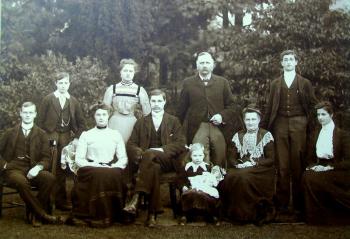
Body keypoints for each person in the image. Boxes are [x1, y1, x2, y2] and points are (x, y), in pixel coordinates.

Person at [261, 50, 317, 214]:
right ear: (282, 63)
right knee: (283, 165)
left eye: (291, 59)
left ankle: (300, 205)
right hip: (280, 124)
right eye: (285, 60)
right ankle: (283, 204)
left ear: (296, 62)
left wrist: (310, 123)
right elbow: (270, 106)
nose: (288, 62)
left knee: (297, 164)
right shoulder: (275, 83)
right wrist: (264, 128)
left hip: (299, 123)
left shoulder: (304, 82)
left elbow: (313, 105)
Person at [123, 89, 186, 227]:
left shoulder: (174, 121)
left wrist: (161, 150)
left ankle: (136, 197)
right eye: (153, 101)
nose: (156, 104)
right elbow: (131, 144)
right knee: (154, 169)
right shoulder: (141, 122)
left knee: (149, 154)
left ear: (164, 102)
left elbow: (181, 144)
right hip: (149, 163)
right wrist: (140, 153)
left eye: (159, 101)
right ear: (150, 102)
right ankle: (152, 215)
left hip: (168, 161)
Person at [0, 102, 65, 226]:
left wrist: (38, 167)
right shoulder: (10, 132)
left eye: (30, 112)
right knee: (21, 182)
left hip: (31, 168)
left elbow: (46, 157)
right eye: (25, 112)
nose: (28, 115)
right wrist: (4, 166)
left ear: (35, 114)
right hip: (13, 170)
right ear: (20, 114)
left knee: (49, 178)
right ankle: (42, 215)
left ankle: (33, 213)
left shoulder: (42, 134)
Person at [71, 103, 128, 227]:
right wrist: (96, 165)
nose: (101, 117)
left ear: (108, 116)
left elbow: (123, 158)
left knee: (111, 173)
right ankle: (100, 216)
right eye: (98, 115)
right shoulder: (86, 135)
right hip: (90, 168)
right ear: (94, 117)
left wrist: (114, 166)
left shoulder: (115, 134)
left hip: (109, 168)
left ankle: (113, 214)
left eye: (104, 114)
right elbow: (79, 159)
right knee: (100, 173)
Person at [38, 72, 86, 211]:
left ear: (69, 84)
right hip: (50, 135)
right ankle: (47, 199)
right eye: (60, 83)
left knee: (62, 167)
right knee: (50, 165)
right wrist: (43, 138)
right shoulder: (48, 99)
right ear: (56, 84)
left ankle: (61, 199)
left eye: (65, 83)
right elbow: (39, 121)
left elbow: (81, 123)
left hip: (65, 136)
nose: (63, 86)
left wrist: (77, 138)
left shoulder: (73, 101)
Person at [177, 51, 235, 167]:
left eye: (207, 63)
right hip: (198, 127)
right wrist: (175, 129)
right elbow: (181, 110)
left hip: (219, 127)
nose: (204, 65)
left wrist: (221, 116)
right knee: (199, 159)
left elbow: (232, 106)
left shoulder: (222, 82)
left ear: (213, 65)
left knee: (220, 158)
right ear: (197, 65)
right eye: (201, 63)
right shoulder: (188, 83)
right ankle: (200, 184)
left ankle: (219, 184)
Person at [220, 107, 275, 224]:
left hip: (261, 169)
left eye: (253, 119)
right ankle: (235, 213)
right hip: (242, 167)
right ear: (244, 121)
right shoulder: (238, 135)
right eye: (248, 119)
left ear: (259, 120)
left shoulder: (266, 135)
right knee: (230, 176)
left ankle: (247, 215)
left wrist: (255, 162)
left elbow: (271, 159)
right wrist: (237, 164)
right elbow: (231, 157)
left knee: (243, 177)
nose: (250, 122)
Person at [303, 101, 350, 225]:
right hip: (320, 167)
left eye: (323, 114)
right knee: (308, 176)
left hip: (337, 170)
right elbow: (309, 158)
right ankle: (315, 217)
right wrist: (314, 166)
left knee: (315, 179)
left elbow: (348, 161)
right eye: (318, 115)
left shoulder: (342, 135)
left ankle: (334, 216)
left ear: (331, 115)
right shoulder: (315, 134)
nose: (320, 118)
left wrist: (330, 167)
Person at [103, 58, 151, 143]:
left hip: (131, 124)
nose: (128, 73)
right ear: (120, 72)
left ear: (134, 73)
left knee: (130, 149)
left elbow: (147, 114)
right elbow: (104, 111)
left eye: (130, 71)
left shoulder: (140, 90)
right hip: (114, 123)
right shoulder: (112, 89)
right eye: (125, 71)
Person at [178, 143, 225, 225]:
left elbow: (213, 180)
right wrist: (183, 186)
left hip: (205, 189)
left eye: (200, 155)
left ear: (203, 156)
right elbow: (181, 180)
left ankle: (212, 215)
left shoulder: (207, 167)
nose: (197, 158)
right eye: (195, 156)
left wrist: (217, 177)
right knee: (190, 194)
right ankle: (185, 215)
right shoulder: (187, 167)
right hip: (191, 188)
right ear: (190, 156)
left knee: (207, 195)